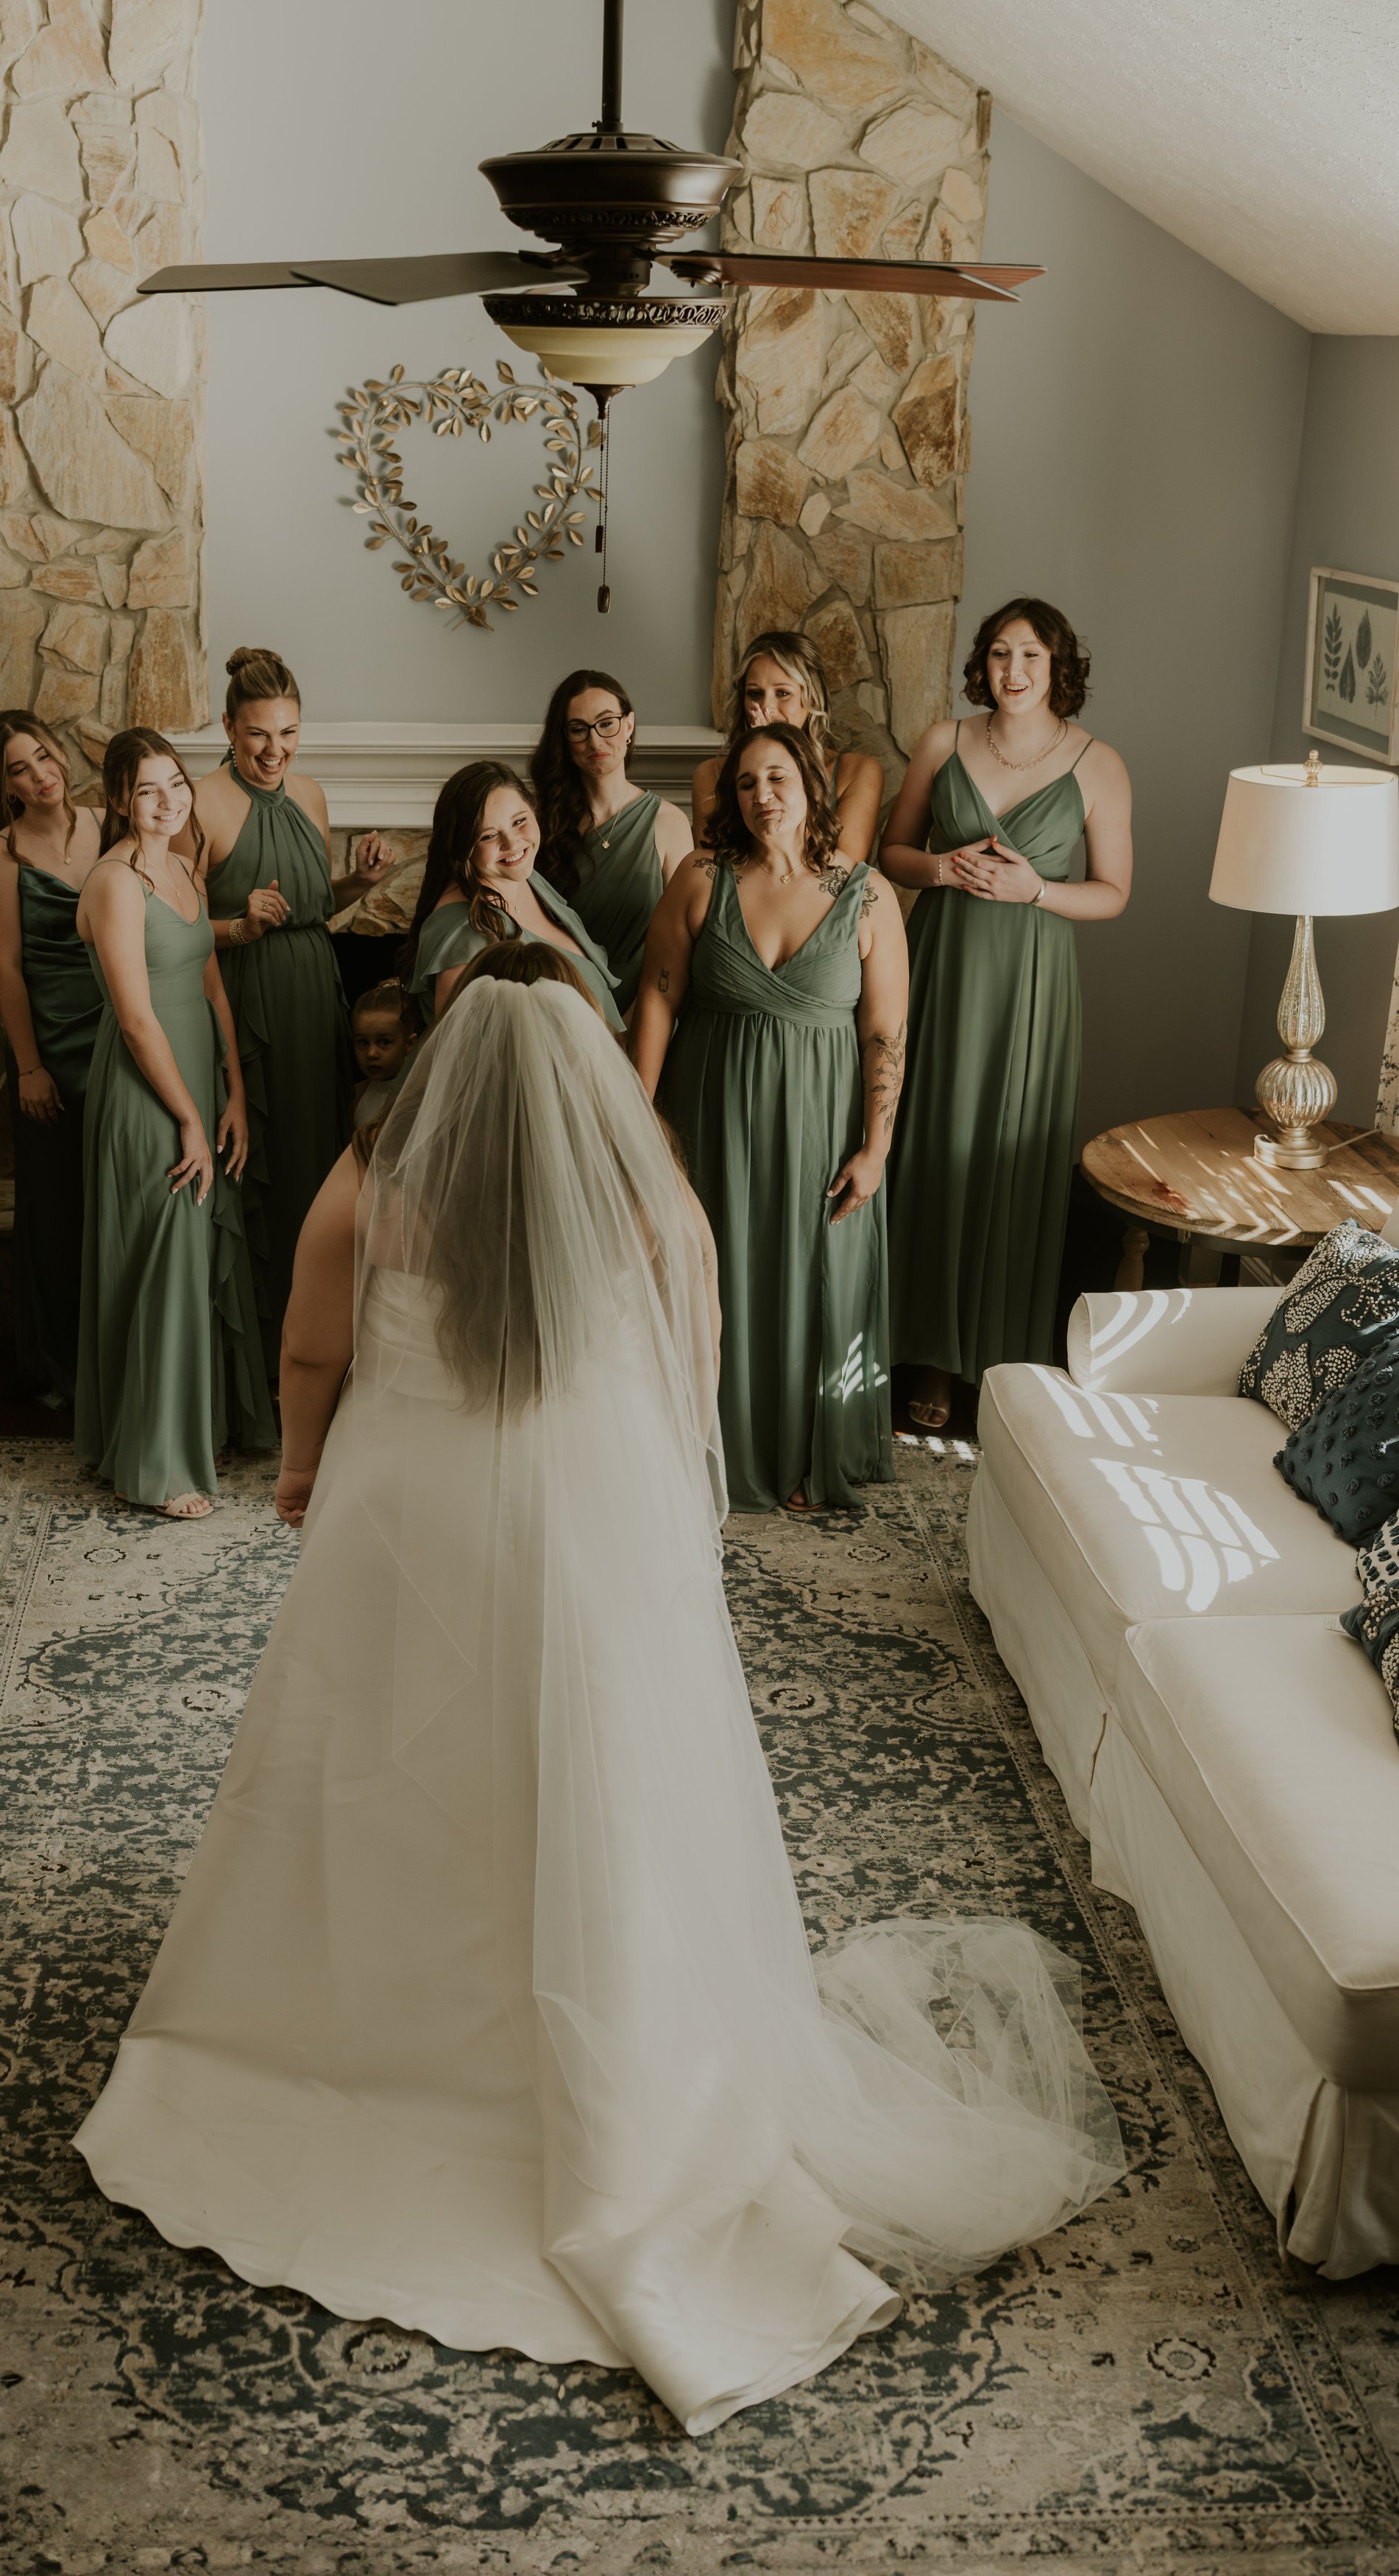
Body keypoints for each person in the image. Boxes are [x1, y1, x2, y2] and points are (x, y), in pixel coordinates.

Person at [74, 968, 1123, 2437]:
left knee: (384, 1755)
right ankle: (602, 2028)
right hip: (582, 1522)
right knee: (597, 1770)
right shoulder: (642, 1190)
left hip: (413, 1516)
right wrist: (663, 1479)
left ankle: (366, 2023)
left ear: (439, 1066)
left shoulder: (375, 1179)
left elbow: (312, 1347)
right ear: (584, 1085)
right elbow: (696, 1345)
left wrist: (302, 1466)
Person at [631, 722, 907, 1513]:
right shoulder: (700, 878)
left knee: (813, 1275)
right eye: (746, 783)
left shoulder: (868, 893)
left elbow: (885, 1032)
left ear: (812, 785)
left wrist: (876, 1148)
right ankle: (701, 1445)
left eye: (778, 778)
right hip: (710, 1112)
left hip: (822, 1125)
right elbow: (657, 999)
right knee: (714, 1268)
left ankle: (801, 1455)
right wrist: (637, 1119)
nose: (762, 797)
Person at [879, 598, 1132, 1430]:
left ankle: (986, 1358)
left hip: (1032, 983)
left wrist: (1037, 891)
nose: (1012, 671)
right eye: (997, 653)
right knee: (930, 1144)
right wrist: (942, 869)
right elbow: (891, 853)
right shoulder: (943, 742)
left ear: (1059, 666)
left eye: (1029, 655)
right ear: (980, 665)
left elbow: (1114, 892)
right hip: (942, 966)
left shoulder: (1099, 764)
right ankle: (915, 1348)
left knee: (1004, 1158)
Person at [74, 731, 274, 1518]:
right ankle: (154, 1466)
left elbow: (212, 987)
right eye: (147, 789)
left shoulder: (186, 868)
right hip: (144, 1089)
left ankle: (185, 1430)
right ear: (119, 800)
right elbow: (134, 1018)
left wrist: (232, 1091)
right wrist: (188, 1117)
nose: (168, 801)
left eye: (176, 784)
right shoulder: (114, 882)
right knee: (161, 1260)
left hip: (198, 1077)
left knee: (191, 1256)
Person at [192, 646, 397, 1376]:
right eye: (258, 734)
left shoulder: (311, 796)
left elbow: (311, 908)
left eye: (288, 732)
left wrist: (357, 884)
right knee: (264, 1168)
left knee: (319, 1166)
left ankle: (321, 1346)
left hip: (315, 996)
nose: (275, 750)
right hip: (245, 1002)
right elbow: (174, 926)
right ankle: (260, 1357)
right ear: (228, 727)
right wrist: (238, 925)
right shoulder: (199, 802)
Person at [0, 710, 103, 1404]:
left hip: (118, 1033)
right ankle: (61, 1367)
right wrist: (28, 1068)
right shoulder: (3, 857)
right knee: (57, 1214)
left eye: (45, 757)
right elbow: (7, 970)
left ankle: (119, 1363)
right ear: (6, 786)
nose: (40, 775)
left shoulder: (111, 826)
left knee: (115, 1202)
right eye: (20, 769)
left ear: (62, 756)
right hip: (50, 1046)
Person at [400, 759, 623, 1030]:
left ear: (533, 809)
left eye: (519, 821)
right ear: (461, 846)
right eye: (488, 836)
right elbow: (460, 1046)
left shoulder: (525, 879)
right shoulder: (465, 931)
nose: (512, 843)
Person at [528, 669, 693, 996]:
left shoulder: (669, 822)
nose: (595, 741)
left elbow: (683, 941)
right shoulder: (539, 823)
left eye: (606, 724)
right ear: (564, 740)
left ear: (628, 726)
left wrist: (644, 1013)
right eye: (579, 729)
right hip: (560, 995)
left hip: (646, 1000)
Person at [691, 631, 883, 865]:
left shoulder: (857, 770)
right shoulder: (710, 773)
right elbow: (710, 867)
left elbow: (842, 867)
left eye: (782, 693)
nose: (767, 707)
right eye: (755, 694)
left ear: (812, 698)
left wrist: (779, 755)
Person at [347, 977, 422, 1137]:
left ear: (409, 1044)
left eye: (384, 1042)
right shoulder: (357, 1096)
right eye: (363, 1043)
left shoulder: (419, 1096)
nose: (371, 1054)